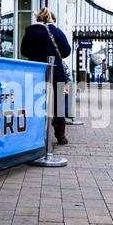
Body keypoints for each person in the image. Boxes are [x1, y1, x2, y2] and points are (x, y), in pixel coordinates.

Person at [21, 8, 72, 145]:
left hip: (36, 72)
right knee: (58, 103)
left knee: (36, 102)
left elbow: (23, 51)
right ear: (51, 19)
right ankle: (60, 135)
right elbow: (67, 51)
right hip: (56, 72)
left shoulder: (30, 31)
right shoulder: (56, 31)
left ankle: (35, 134)